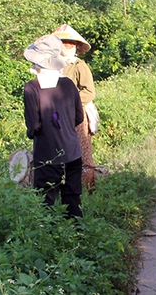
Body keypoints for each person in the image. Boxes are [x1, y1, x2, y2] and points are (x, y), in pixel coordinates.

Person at [23, 34, 85, 218]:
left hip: (47, 154)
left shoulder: (32, 88)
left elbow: (33, 126)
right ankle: (78, 237)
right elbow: (79, 117)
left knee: (46, 203)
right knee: (73, 200)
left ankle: (49, 241)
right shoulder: (68, 84)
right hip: (73, 152)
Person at [52, 24, 98, 189]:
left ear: (76, 45)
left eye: (71, 42)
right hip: (55, 114)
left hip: (76, 114)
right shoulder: (53, 65)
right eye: (64, 41)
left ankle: (87, 191)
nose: (68, 45)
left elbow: (89, 92)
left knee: (82, 153)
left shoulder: (78, 65)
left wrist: (70, 104)